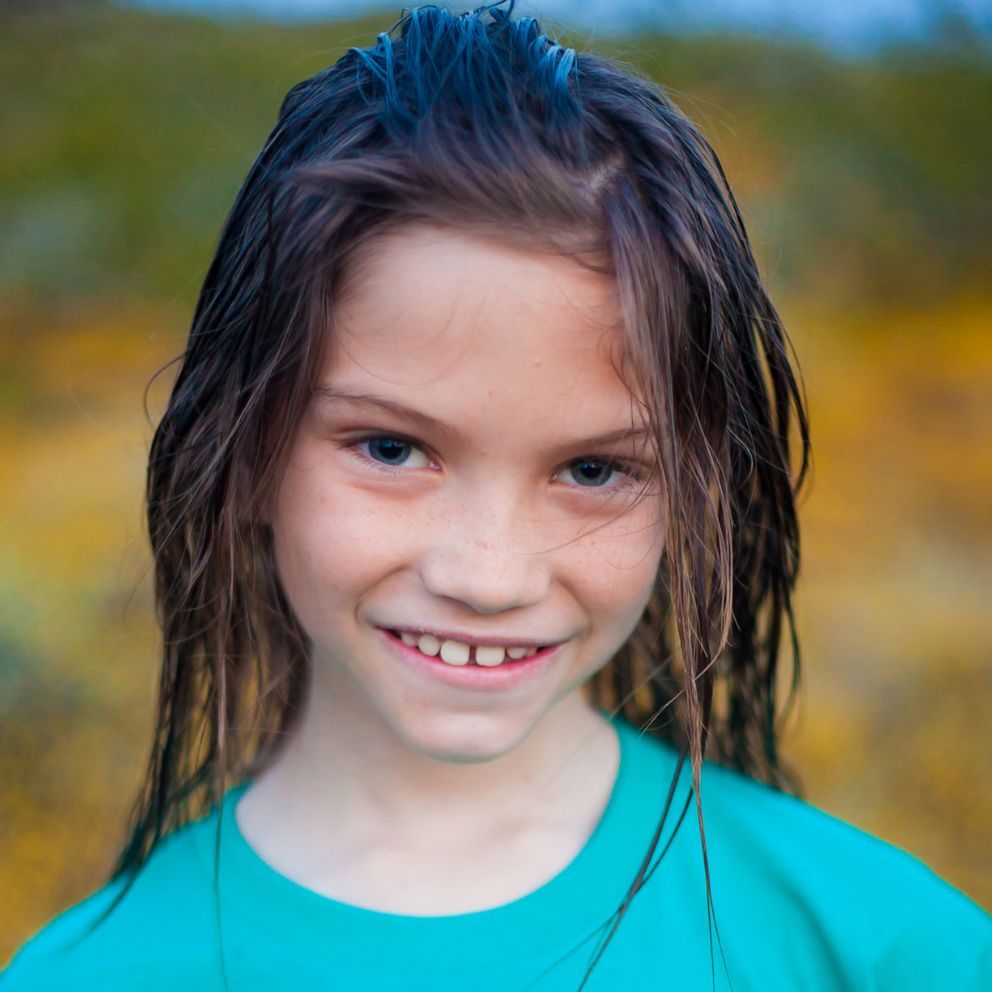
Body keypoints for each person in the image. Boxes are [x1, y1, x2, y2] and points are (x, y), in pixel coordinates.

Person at [2, 2, 990, 989]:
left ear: (689, 487)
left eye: (594, 470)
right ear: (246, 445)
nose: (487, 573)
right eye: (391, 447)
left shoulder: (880, 948)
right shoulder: (90, 972)